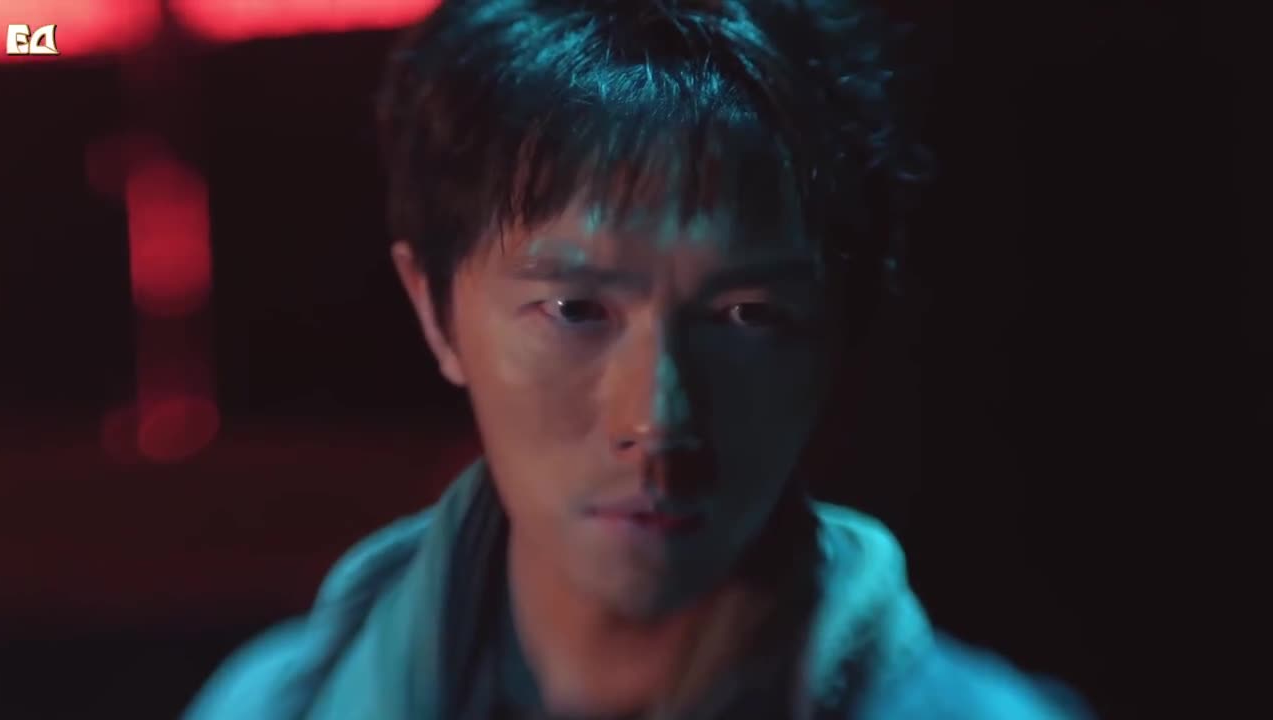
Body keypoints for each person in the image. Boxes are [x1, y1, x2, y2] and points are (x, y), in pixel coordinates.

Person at [186, 1, 1092, 718]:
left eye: (747, 315)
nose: (659, 418)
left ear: (838, 333)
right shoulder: (272, 706)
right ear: (435, 311)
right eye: (576, 310)